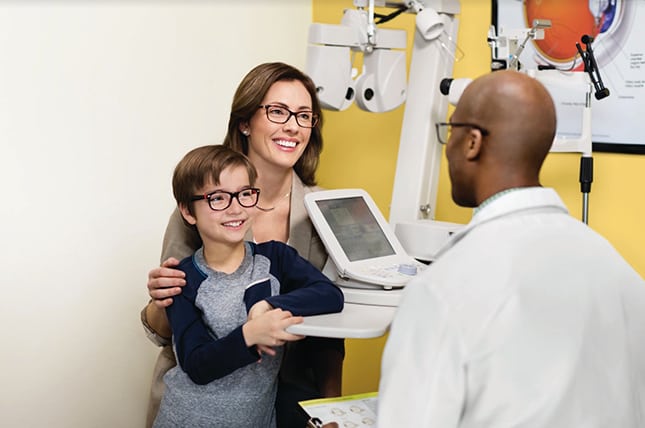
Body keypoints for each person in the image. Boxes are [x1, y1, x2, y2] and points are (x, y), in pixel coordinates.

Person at [378, 70, 645, 427]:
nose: (448, 150)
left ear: (472, 142)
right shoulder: (618, 270)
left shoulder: (443, 289)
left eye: (450, 132)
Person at [141, 62, 345, 428]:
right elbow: (169, 326)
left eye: (304, 115)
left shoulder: (325, 211)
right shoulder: (198, 208)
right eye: (278, 111)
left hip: (284, 399)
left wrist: (331, 410)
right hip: (197, 403)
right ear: (245, 122)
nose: (292, 126)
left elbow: (330, 325)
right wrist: (158, 303)